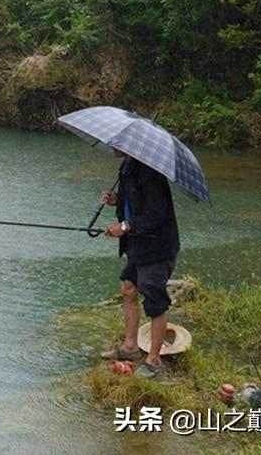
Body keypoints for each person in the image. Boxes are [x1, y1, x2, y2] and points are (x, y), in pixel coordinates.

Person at [98, 148, 181, 378]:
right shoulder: (127, 167)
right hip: (138, 247)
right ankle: (130, 348)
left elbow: (155, 214)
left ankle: (154, 360)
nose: (112, 146)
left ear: (130, 145)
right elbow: (134, 204)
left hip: (157, 248)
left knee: (155, 300)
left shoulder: (150, 173)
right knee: (128, 287)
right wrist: (117, 201)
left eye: (117, 143)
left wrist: (124, 227)